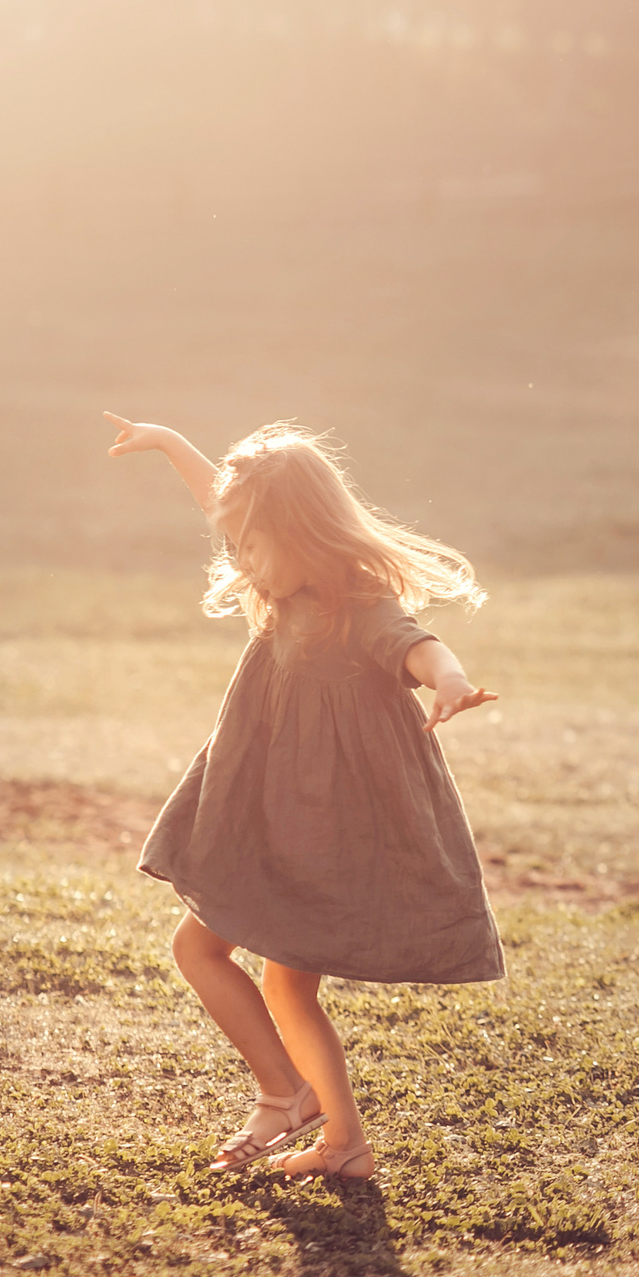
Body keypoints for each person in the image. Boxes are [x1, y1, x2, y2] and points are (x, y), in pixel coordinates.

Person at [103, 413, 503, 1179]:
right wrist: (166, 441)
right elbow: (223, 507)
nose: (241, 559)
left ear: (302, 533)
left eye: (254, 545)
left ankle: (285, 1092)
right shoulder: (283, 583)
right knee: (270, 977)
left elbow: (417, 643)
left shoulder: (357, 604)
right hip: (271, 809)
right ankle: (340, 1138)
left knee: (204, 948)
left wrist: (449, 681)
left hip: (322, 826)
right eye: (238, 543)